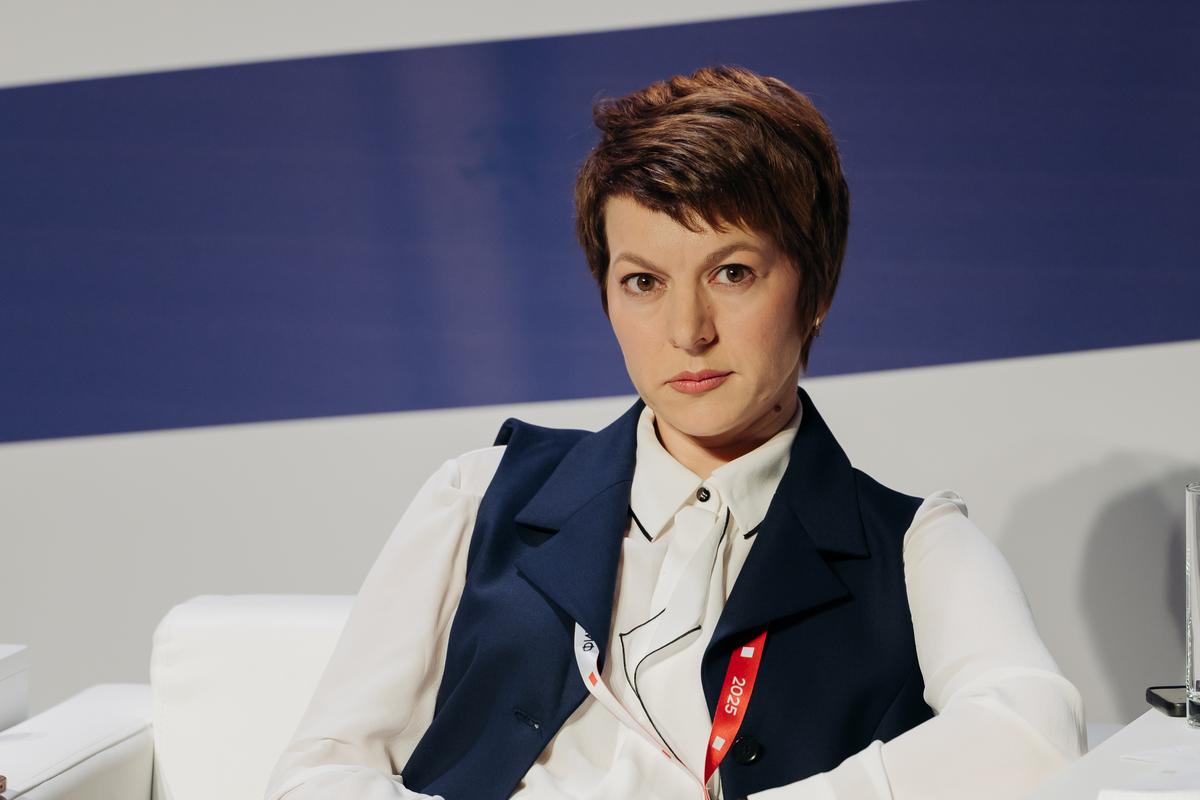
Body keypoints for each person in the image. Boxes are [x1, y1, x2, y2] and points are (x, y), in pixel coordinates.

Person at [263, 65, 1085, 800]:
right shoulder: (481, 495)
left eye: (732, 272)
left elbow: (1031, 737)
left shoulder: (914, 545)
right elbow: (316, 774)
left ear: (816, 290)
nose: (688, 331)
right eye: (643, 282)